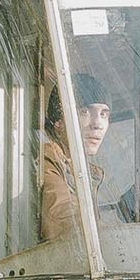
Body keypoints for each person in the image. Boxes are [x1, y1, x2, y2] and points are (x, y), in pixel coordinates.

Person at [38, 72, 111, 242]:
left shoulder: (86, 171)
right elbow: (63, 215)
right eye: (85, 112)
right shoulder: (46, 162)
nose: (97, 124)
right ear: (59, 122)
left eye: (103, 114)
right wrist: (114, 239)